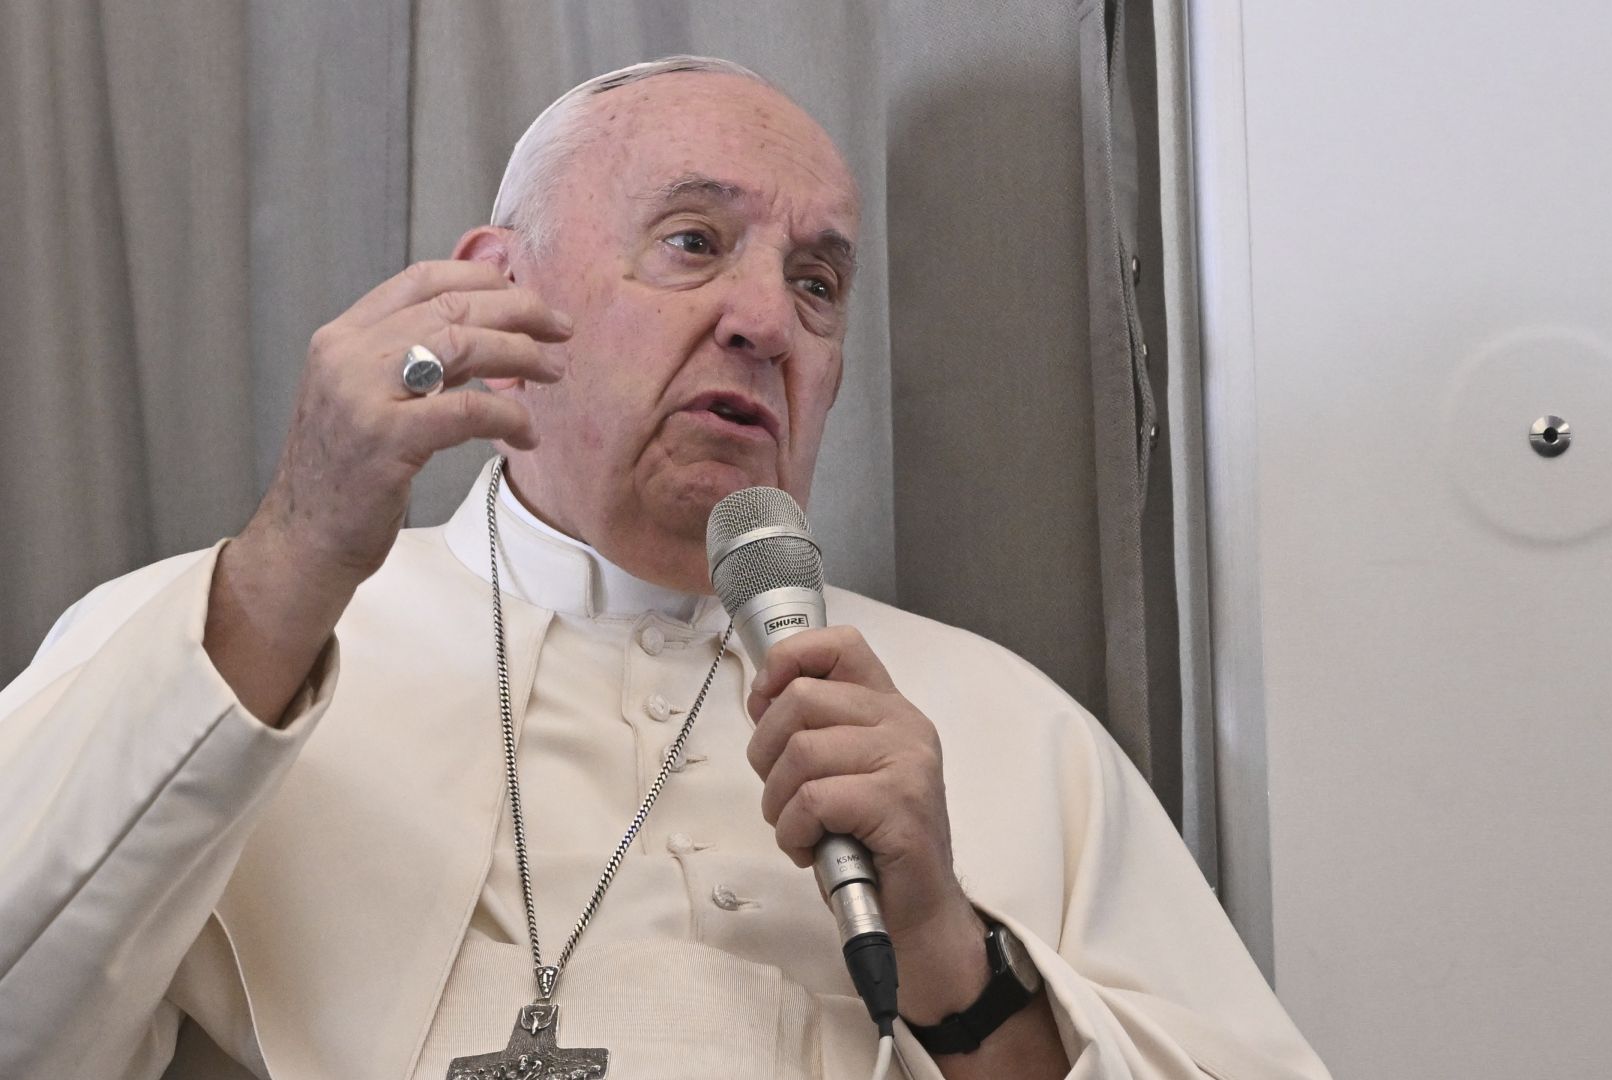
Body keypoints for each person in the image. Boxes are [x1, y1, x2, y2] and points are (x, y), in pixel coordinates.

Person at [0, 57, 1331, 1080]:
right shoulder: (225, 631)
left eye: (818, 284)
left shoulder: (1004, 725)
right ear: (494, 291)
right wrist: (293, 552)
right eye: (693, 241)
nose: (766, 320)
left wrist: (952, 961)